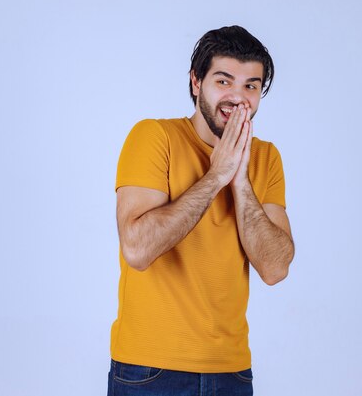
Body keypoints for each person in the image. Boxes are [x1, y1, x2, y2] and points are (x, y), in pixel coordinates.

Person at [108, 25, 295, 396]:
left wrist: (240, 181)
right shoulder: (153, 137)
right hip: (150, 370)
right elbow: (138, 250)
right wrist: (216, 176)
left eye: (251, 86)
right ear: (196, 82)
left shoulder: (266, 158)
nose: (238, 98)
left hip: (233, 372)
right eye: (224, 81)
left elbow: (275, 268)